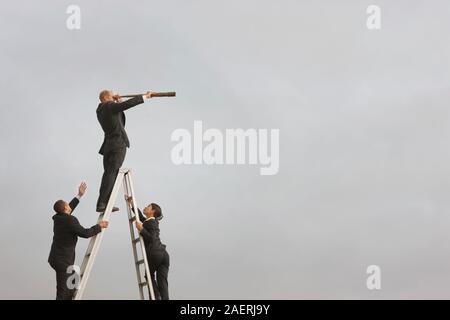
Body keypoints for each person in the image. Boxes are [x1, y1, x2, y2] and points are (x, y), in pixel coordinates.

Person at [96, 90, 155, 212]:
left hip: (108, 146)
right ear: (107, 97)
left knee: (108, 174)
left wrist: (117, 101)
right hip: (117, 144)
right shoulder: (108, 105)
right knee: (112, 173)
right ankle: (102, 203)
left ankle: (103, 203)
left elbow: (117, 114)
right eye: (112, 95)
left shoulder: (101, 110)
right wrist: (145, 96)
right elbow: (126, 105)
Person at [48, 182, 109, 300]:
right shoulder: (70, 220)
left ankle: (70, 296)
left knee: (74, 281)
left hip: (57, 258)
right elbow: (85, 233)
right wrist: (99, 226)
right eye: (67, 204)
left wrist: (79, 195)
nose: (68, 205)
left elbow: (67, 210)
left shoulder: (58, 218)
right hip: (63, 261)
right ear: (66, 208)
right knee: (62, 291)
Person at [126, 196, 169, 300]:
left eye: (148, 206)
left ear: (152, 211)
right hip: (163, 255)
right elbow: (140, 216)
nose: (145, 207)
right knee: (162, 282)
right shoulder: (149, 221)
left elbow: (151, 238)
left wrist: (141, 229)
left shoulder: (152, 222)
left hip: (155, 253)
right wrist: (132, 204)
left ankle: (155, 297)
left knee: (148, 276)